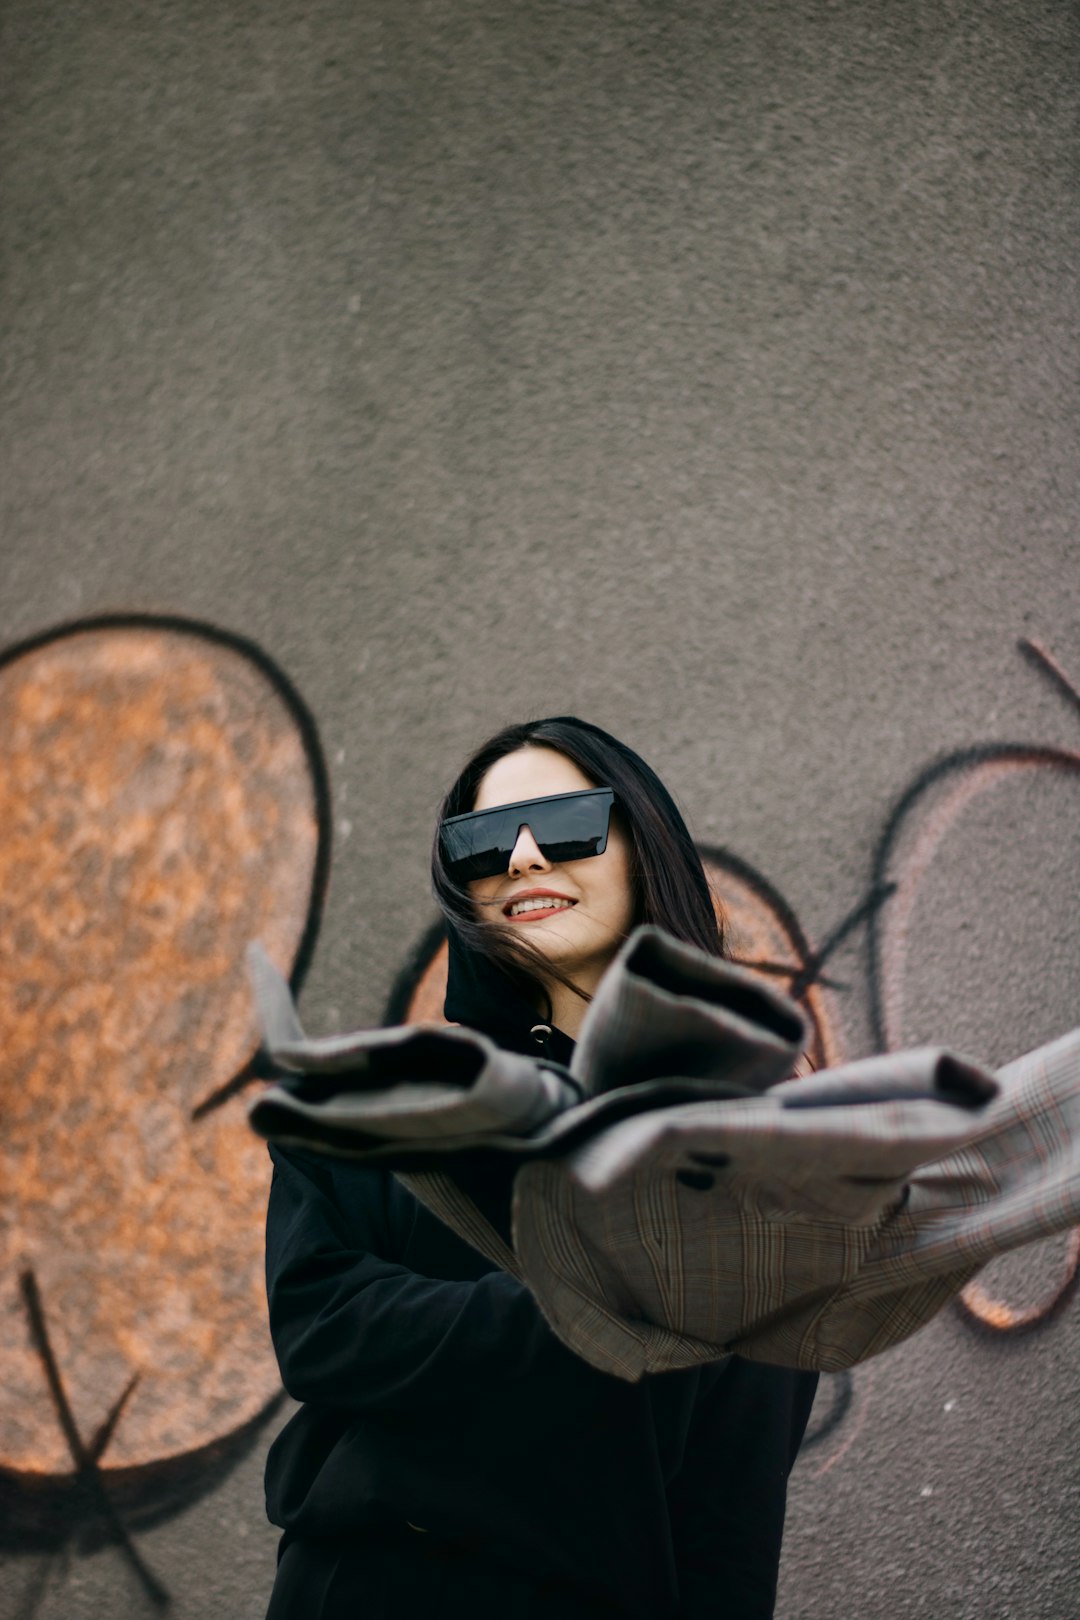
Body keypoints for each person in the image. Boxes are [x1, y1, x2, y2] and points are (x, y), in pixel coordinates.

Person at [262, 716, 819, 1620]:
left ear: (644, 845)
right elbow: (321, 1325)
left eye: (565, 823)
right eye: (481, 842)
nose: (520, 859)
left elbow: (733, 1497)